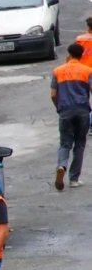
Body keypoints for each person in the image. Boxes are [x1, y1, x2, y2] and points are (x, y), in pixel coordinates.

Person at [50, 42, 92, 190]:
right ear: (82, 55)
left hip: (65, 111)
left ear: (68, 54)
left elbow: (53, 94)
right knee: (80, 144)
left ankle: (62, 165)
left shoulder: (58, 71)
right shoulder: (87, 71)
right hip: (82, 111)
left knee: (65, 144)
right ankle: (74, 179)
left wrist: (59, 108)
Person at [75, 17, 92, 134]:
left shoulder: (80, 39)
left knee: (83, 99)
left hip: (81, 72)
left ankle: (82, 124)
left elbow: (74, 54)